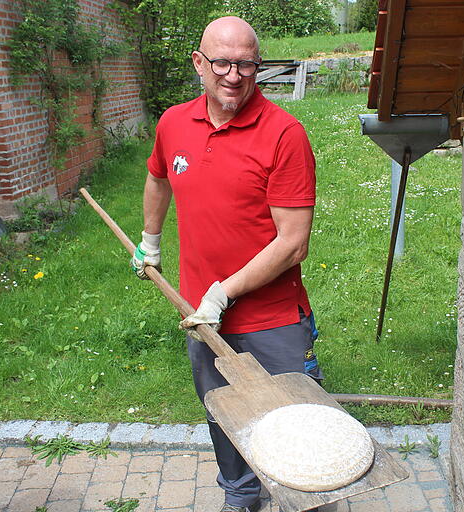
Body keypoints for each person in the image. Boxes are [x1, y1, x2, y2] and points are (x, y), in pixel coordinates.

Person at [131, 16, 322, 512]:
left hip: (271, 319)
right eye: (221, 63)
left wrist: (224, 293)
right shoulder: (173, 122)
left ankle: (310, 499)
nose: (233, 76)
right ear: (199, 63)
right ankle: (241, 496)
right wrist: (150, 241)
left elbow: (293, 243)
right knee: (224, 415)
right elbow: (157, 179)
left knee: (295, 428)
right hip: (202, 316)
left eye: (245, 65)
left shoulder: (285, 135)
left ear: (257, 66)